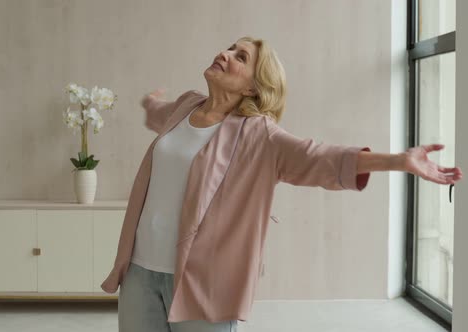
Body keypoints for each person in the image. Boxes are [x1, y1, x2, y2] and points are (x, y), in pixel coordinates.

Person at [102, 36, 464, 332]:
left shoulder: (259, 135)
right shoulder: (184, 106)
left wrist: (398, 160)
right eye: (228, 48)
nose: (224, 54)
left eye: (239, 56)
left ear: (253, 87)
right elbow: (159, 116)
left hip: (203, 283)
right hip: (139, 271)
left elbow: (319, 158)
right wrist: (150, 103)